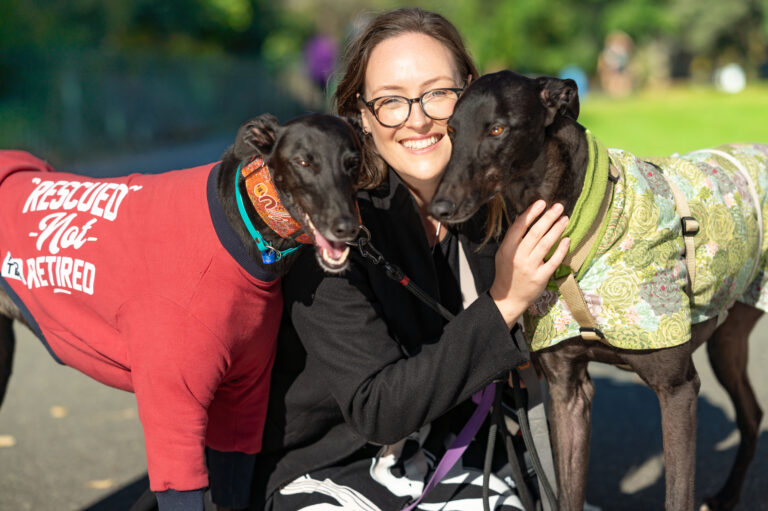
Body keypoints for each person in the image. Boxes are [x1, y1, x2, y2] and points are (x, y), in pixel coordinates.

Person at [250, 8, 570, 510]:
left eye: (438, 93)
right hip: (330, 468)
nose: (418, 118)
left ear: (470, 94)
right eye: (392, 101)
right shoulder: (331, 225)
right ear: (362, 116)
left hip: (455, 456)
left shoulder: (495, 205)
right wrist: (506, 301)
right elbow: (377, 409)